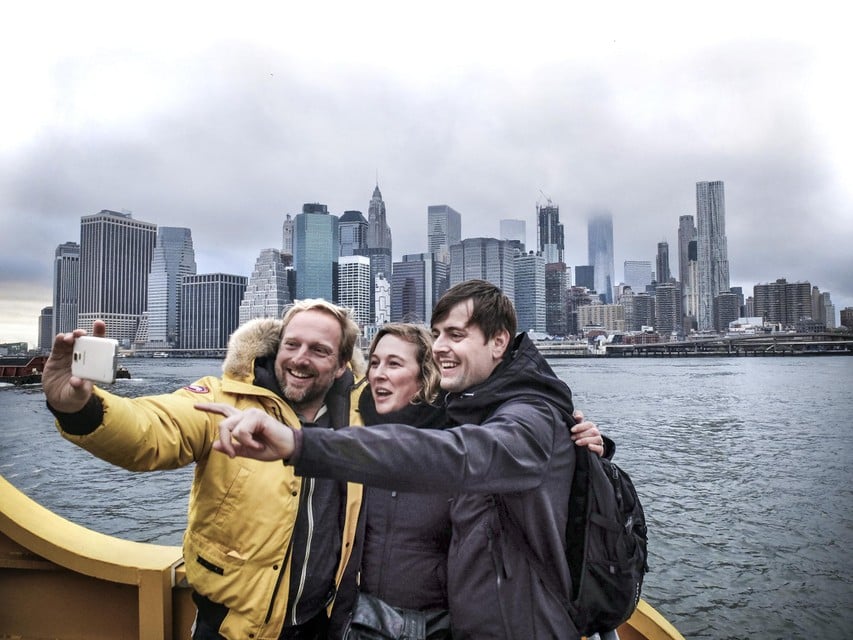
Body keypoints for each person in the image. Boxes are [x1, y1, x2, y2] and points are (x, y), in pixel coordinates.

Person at [205, 280, 610, 639]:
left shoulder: (518, 415)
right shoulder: (474, 407)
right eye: (437, 335)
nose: (441, 347)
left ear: (499, 342)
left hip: (498, 622)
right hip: (376, 618)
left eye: (455, 334)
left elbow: (465, 454)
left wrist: (300, 445)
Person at [42, 299, 367, 640]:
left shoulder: (361, 422)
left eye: (319, 350)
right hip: (230, 628)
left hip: (324, 625)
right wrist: (80, 409)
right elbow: (152, 429)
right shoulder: (221, 401)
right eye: (292, 344)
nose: (300, 359)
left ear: (342, 365)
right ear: (276, 346)